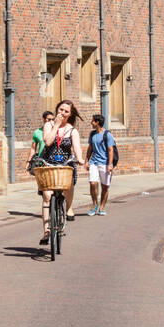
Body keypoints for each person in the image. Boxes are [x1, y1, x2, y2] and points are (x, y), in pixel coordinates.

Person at [38, 99, 85, 244]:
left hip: (65, 162)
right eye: (60, 110)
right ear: (57, 109)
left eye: (66, 111)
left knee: (68, 183)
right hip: (49, 162)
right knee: (47, 195)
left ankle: (69, 207)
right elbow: (48, 142)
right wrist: (56, 125)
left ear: (70, 114)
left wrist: (80, 158)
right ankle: (46, 230)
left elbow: (76, 147)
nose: (62, 113)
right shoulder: (48, 125)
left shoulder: (72, 130)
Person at [85, 112, 115, 216]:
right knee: (93, 183)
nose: (91, 122)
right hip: (94, 162)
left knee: (105, 186)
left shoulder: (107, 134)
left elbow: (111, 150)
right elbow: (90, 148)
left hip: (105, 163)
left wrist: (110, 165)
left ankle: (102, 206)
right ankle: (94, 204)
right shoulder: (92, 134)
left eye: (92, 120)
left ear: (97, 122)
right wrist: (86, 161)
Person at [25, 110, 55, 191]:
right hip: (42, 161)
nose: (51, 121)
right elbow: (33, 148)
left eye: (53, 119)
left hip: (54, 160)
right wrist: (28, 162)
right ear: (43, 119)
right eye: (49, 119)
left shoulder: (56, 131)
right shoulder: (37, 132)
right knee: (44, 187)